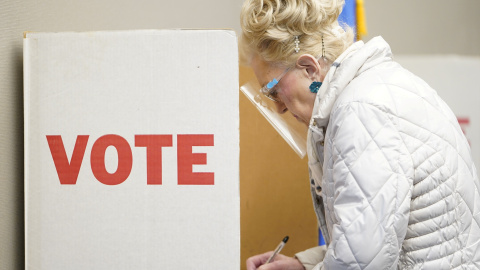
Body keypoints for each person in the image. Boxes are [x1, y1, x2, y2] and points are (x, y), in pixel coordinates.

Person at [240, 0, 480, 269]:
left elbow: (363, 263)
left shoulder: (361, 111)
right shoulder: (379, 86)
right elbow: (384, 238)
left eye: (273, 90)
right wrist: (303, 264)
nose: (278, 107)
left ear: (309, 68)